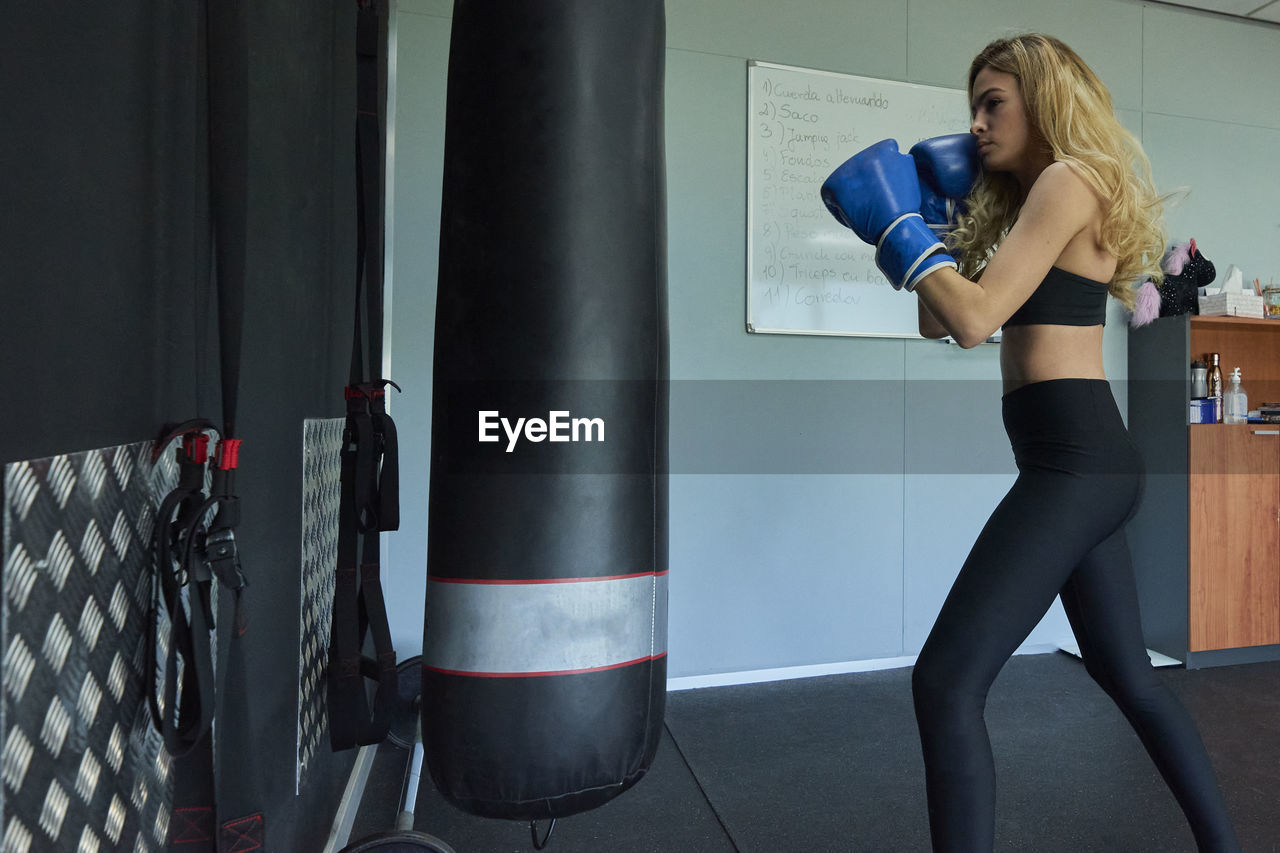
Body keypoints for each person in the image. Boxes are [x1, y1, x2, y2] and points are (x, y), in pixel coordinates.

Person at [820, 33, 1241, 852]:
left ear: (1044, 99)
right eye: (971, 106)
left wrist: (900, 229)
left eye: (993, 103)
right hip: (1079, 459)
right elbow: (934, 318)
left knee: (944, 683)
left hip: (1074, 462)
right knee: (1130, 678)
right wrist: (935, 222)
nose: (976, 123)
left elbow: (974, 322)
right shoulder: (1030, 200)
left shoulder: (1068, 178)